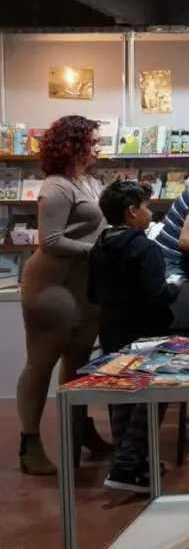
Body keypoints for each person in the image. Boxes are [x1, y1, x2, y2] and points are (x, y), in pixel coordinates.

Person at [17, 115, 111, 475]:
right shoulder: (56, 186)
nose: (100, 147)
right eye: (94, 141)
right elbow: (51, 240)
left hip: (84, 286)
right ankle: (29, 442)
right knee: (41, 363)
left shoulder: (89, 181)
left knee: (79, 361)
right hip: (52, 285)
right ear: (74, 144)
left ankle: (79, 429)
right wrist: (98, 252)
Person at [88, 181, 182, 493]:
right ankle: (128, 465)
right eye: (145, 207)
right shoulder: (145, 248)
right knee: (151, 396)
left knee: (121, 392)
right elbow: (156, 294)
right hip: (146, 331)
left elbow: (92, 293)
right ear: (131, 211)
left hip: (112, 328)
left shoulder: (100, 245)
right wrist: (174, 287)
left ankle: (128, 460)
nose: (149, 213)